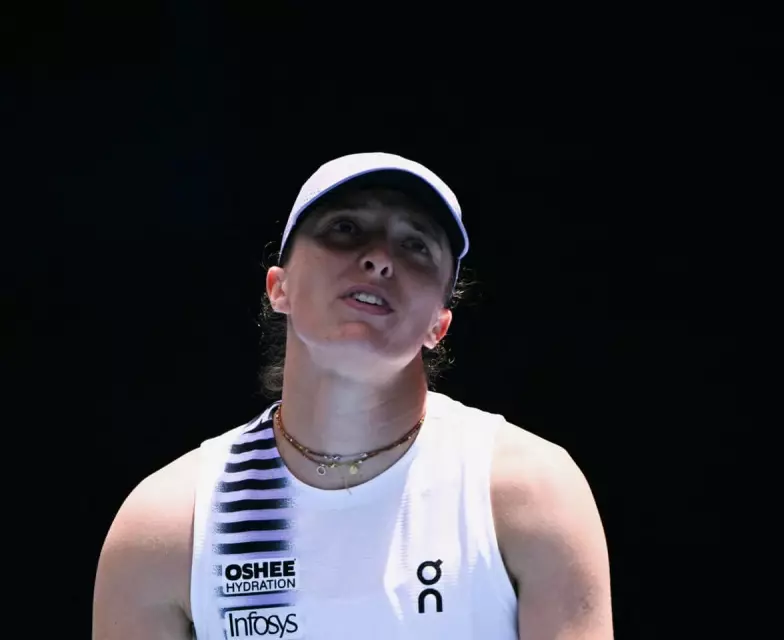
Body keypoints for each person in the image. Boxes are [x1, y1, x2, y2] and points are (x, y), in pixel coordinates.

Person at [93, 152, 614, 639]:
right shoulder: (168, 527)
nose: (380, 258)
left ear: (440, 324)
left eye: (416, 246)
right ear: (279, 287)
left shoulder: (529, 493)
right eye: (345, 229)